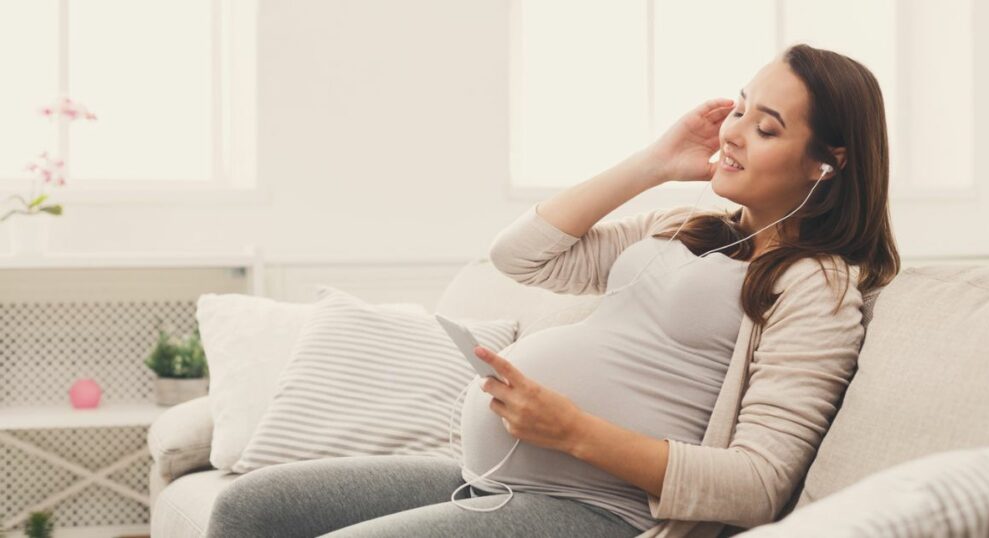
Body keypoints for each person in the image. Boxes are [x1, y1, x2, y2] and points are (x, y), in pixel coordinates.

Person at [206, 42, 900, 538]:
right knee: (251, 509)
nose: (734, 132)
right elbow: (523, 256)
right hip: (498, 479)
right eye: (740, 108)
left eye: (766, 126)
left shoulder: (817, 287)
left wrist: (570, 431)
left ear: (826, 164)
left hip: (600, 512)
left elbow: (756, 485)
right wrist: (655, 163)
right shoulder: (689, 226)